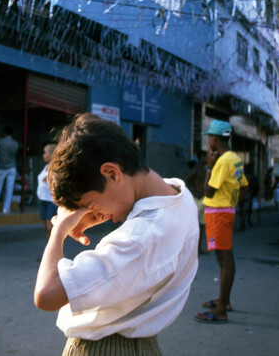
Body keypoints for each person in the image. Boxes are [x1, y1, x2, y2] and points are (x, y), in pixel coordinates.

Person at [34, 113, 199, 354]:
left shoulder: (138, 240)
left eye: (89, 203)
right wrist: (92, 213)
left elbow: (46, 295)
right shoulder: (179, 196)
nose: (93, 212)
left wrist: (59, 230)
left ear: (112, 173)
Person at [195, 120, 248, 324]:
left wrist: (209, 166)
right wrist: (231, 203)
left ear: (215, 138)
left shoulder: (222, 161)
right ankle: (223, 301)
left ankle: (221, 310)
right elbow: (244, 187)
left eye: (210, 136)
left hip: (218, 212)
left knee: (225, 260)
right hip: (224, 210)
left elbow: (207, 189)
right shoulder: (235, 158)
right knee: (224, 258)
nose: (209, 140)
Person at [0, 126, 19, 214]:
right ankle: (6, 208)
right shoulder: (15, 143)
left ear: (4, 133)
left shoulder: (0, 141)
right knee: (9, 189)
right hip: (12, 166)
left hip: (1, 167)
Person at [185, 150, 208, 254]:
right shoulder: (196, 169)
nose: (207, 159)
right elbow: (186, 180)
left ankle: (199, 248)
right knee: (194, 225)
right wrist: (192, 191)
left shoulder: (206, 170)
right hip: (196, 199)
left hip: (204, 199)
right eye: (205, 157)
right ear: (201, 158)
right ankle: (193, 249)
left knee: (202, 225)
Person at [36, 143, 58, 241]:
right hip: (43, 200)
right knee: (47, 229)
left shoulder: (56, 168)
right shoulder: (46, 166)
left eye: (45, 153)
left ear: (52, 154)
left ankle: (53, 254)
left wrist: (51, 178)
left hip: (51, 201)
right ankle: (47, 254)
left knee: (51, 228)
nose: (43, 155)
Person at [238, 163, 259, 231]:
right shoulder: (252, 177)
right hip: (247, 194)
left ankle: (242, 222)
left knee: (242, 210)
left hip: (241, 194)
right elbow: (255, 186)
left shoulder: (240, 175)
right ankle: (243, 222)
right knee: (245, 210)